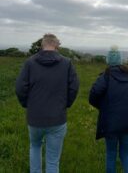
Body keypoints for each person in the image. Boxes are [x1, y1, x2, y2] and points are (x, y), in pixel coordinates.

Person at [16, 33, 79, 173]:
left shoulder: (29, 63)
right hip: (58, 118)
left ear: (42, 45)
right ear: (56, 46)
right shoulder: (67, 63)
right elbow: (74, 87)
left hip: (34, 118)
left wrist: (27, 104)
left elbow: (20, 88)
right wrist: (66, 104)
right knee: (52, 160)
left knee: (35, 147)